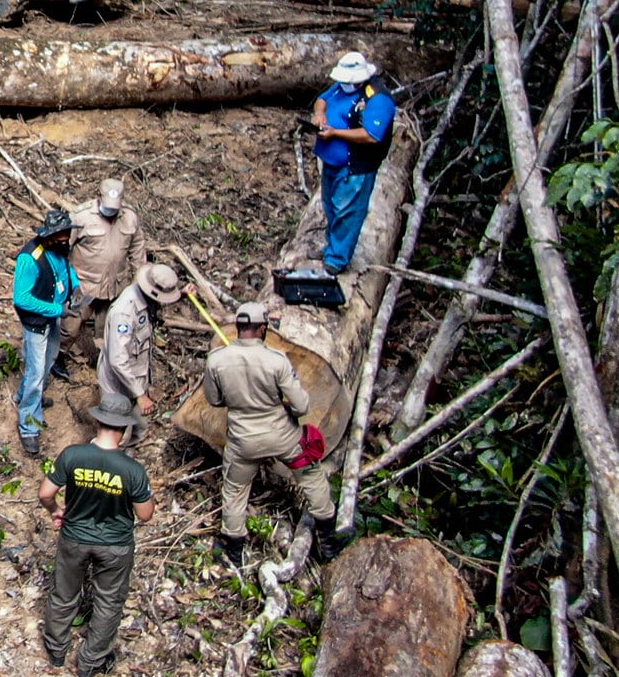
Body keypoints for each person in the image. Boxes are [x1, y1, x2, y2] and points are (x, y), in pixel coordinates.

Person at [203, 303, 340, 567]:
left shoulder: (217, 359)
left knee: (235, 489)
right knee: (311, 475)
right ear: (263, 329)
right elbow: (302, 406)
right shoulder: (277, 360)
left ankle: (233, 550)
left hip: (243, 442)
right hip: (283, 438)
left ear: (238, 328)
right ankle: (328, 541)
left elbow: (214, 399)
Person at [40, 405, 155, 677]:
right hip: (115, 544)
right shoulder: (132, 469)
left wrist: (56, 510)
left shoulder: (73, 455)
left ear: (97, 422)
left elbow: (45, 493)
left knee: (64, 594)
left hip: (74, 538)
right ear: (124, 429)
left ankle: (56, 653)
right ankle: (90, 663)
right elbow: (145, 514)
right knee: (108, 602)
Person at [311, 51, 396, 274]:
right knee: (330, 206)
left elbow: (371, 135)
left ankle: (337, 259)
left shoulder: (377, 99)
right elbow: (323, 99)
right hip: (332, 163)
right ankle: (332, 247)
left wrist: (336, 133)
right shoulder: (341, 87)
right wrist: (320, 115)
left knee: (348, 211)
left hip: (354, 167)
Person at [11, 210, 78, 458]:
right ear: (49, 235)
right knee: (36, 374)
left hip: (54, 318)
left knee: (46, 363)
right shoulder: (30, 259)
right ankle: (29, 425)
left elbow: (65, 270)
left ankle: (26, 397)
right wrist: (57, 309)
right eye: (60, 236)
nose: (65, 240)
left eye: (66, 235)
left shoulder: (59, 249)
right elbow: (22, 298)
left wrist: (77, 287)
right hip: (38, 322)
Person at [95, 262, 184, 441]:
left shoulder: (147, 299)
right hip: (118, 384)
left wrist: (183, 295)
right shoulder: (125, 312)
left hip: (137, 377)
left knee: (140, 427)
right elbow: (117, 360)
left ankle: (133, 452)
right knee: (114, 434)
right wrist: (140, 395)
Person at [64, 177, 149, 360]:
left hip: (115, 286)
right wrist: (65, 282)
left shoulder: (129, 218)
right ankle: (58, 357)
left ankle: (102, 361)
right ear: (98, 196)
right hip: (84, 285)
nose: (111, 211)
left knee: (108, 330)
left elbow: (137, 250)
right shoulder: (81, 217)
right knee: (70, 327)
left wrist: (137, 284)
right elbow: (63, 249)